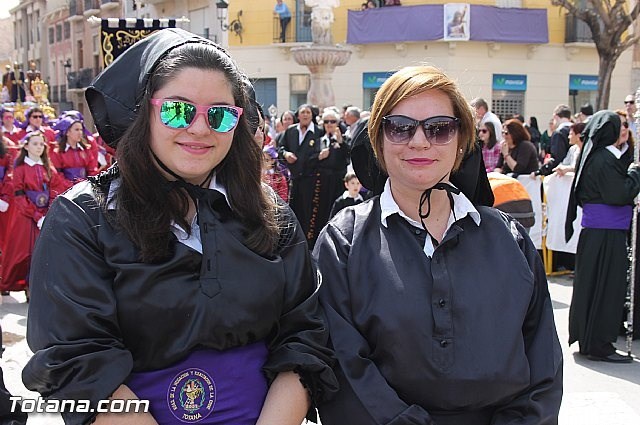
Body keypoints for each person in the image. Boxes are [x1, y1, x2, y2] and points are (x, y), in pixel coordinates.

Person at [22, 28, 337, 425]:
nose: (200, 129)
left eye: (220, 114)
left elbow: (305, 335)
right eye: (178, 110)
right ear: (144, 113)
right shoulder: (83, 218)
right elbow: (76, 359)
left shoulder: (269, 214)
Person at [314, 65, 562, 424]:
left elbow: (544, 365)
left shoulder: (509, 239)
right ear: (377, 139)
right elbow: (342, 365)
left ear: (462, 139)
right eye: (399, 127)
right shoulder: (343, 242)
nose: (419, 142)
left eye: (439, 128)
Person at [566, 110, 640, 363]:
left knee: (595, 287)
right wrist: (636, 173)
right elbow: (619, 194)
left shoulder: (596, 156)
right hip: (606, 235)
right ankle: (599, 345)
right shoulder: (604, 159)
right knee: (607, 288)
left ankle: (591, 340)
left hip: (598, 235)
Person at [0, 131, 64, 297]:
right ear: (26, 146)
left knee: (45, 252)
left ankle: (39, 286)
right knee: (25, 252)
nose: (38, 147)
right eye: (35, 144)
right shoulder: (20, 168)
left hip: (45, 214)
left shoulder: (48, 167)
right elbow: (19, 195)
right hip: (26, 216)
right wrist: (36, 215)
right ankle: (25, 285)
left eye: (41, 144)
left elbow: (54, 189)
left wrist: (48, 212)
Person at [277, 104, 325, 248]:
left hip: (311, 179)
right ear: (298, 115)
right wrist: (286, 154)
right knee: (293, 208)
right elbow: (280, 147)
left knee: (308, 210)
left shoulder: (318, 132)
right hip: (293, 178)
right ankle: (293, 240)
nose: (305, 115)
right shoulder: (291, 131)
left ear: (312, 115)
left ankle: (309, 242)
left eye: (308, 112)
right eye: (302, 112)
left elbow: (322, 153)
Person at [50, 115, 99, 190]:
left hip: (85, 189)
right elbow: (57, 175)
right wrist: (71, 187)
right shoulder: (58, 152)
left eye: (81, 130)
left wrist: (88, 185)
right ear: (67, 132)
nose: (80, 133)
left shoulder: (86, 150)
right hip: (66, 191)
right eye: (76, 130)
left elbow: (92, 170)